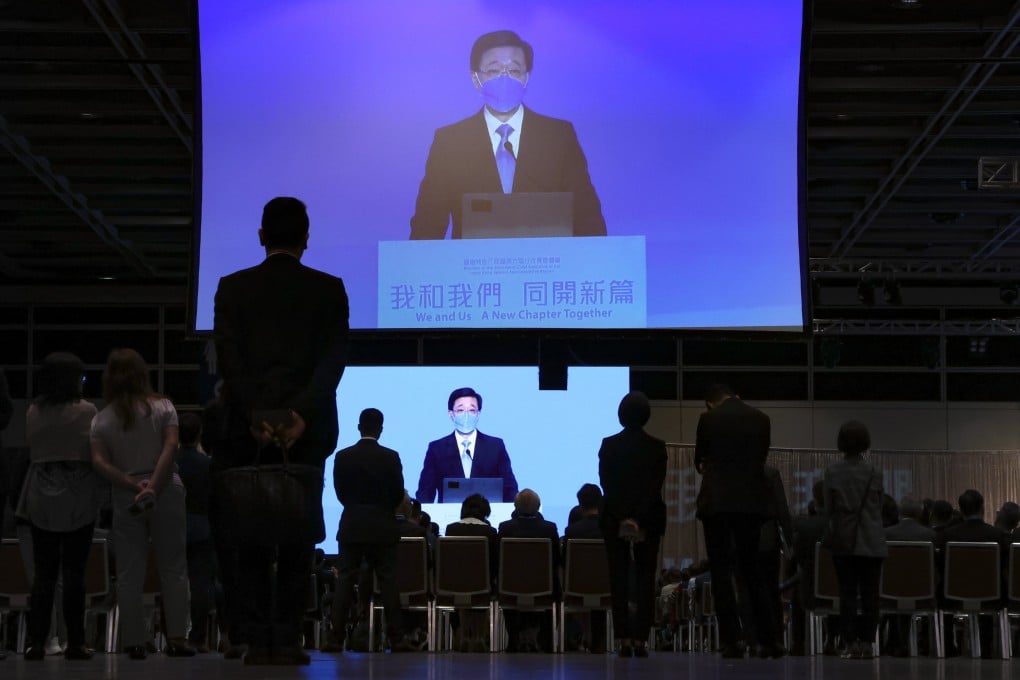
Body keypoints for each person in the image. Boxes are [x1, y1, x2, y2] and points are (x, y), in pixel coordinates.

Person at [213, 196, 349, 665]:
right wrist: (300, 415)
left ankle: (255, 638)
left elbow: (229, 360)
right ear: (306, 239)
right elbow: (332, 362)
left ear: (261, 236)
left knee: (250, 534)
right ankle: (289, 638)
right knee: (298, 537)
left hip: (247, 431)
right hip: (305, 433)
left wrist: (257, 415)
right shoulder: (328, 289)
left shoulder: (233, 288)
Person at [410, 29, 606, 239]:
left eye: (514, 70)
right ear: (476, 79)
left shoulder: (558, 137)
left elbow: (588, 219)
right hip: (474, 259)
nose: (505, 77)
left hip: (545, 258)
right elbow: (427, 226)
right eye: (494, 70)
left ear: (526, 78)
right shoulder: (450, 142)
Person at [89, 348, 194, 660]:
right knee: (173, 566)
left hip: (126, 495)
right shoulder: (163, 406)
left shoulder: (101, 419)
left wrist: (134, 484)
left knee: (128, 571)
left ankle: (134, 641)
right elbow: (171, 446)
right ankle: (177, 639)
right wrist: (154, 486)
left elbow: (99, 462)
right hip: (167, 490)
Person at [17, 353, 98, 661]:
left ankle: (36, 641)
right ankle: (75, 642)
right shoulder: (87, 411)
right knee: (75, 573)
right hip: (78, 493)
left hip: (40, 491)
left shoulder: (33, 411)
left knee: (44, 574)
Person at [693, 384, 778, 659]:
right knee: (752, 570)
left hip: (717, 505)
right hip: (751, 505)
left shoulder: (708, 419)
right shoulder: (761, 419)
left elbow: (700, 461)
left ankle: (733, 640)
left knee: (721, 572)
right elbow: (760, 460)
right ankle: (768, 639)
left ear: (710, 403)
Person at [326, 408, 413, 653]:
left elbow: (341, 493)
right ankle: (397, 639)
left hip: (352, 524)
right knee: (388, 581)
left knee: (345, 580)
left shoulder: (343, 456)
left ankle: (335, 638)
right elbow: (397, 493)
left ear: (358, 427)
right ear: (380, 429)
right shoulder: (390, 457)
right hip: (383, 526)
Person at [598, 391, 667, 659]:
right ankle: (641, 639)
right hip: (649, 519)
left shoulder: (609, 445)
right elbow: (654, 487)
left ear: (621, 415)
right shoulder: (657, 447)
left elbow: (607, 484)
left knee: (618, 578)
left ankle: (623, 638)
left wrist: (623, 517)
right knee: (645, 578)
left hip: (614, 519)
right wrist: (638, 517)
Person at [822, 420, 887, 660]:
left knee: (847, 594)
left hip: (844, 539)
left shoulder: (832, 472)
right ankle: (867, 643)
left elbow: (828, 509)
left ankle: (849, 643)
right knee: (871, 595)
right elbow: (879, 506)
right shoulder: (874, 472)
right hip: (872, 539)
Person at [415, 387, 518, 503]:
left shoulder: (495, 447)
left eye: (472, 410)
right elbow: (425, 493)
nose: (466, 415)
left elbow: (510, 490)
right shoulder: (437, 449)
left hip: (488, 513)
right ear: (451, 414)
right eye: (460, 410)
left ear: (478, 414)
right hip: (448, 514)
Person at [174, 412, 218, 653]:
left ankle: (174, 634)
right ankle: (198, 637)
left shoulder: (171, 462)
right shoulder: (208, 464)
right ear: (199, 434)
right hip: (202, 526)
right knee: (201, 584)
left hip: (175, 526)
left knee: (173, 581)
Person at [497, 488, 561, 653]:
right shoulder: (549, 528)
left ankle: (514, 638)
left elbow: (498, 559)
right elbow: (556, 559)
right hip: (544, 587)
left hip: (510, 588)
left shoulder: (505, 528)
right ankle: (544, 639)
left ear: (515, 507)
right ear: (539, 507)